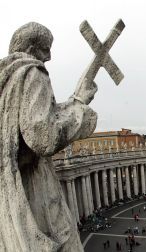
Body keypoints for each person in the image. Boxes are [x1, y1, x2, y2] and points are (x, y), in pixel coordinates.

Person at [0, 22, 97, 251]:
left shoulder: (5, 81)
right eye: (46, 49)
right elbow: (43, 136)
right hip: (32, 187)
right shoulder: (30, 71)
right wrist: (80, 109)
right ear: (32, 48)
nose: (50, 57)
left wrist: (75, 100)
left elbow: (34, 119)